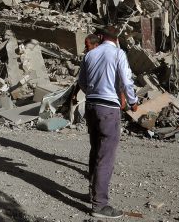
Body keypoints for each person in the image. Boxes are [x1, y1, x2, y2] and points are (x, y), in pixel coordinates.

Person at [78, 26, 137, 219]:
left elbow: (82, 83)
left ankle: (92, 194)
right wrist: (133, 101)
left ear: (101, 37)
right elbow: (126, 81)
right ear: (116, 38)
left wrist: (94, 94)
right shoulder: (119, 54)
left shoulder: (90, 55)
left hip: (91, 106)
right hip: (108, 109)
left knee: (95, 150)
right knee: (106, 156)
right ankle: (100, 205)